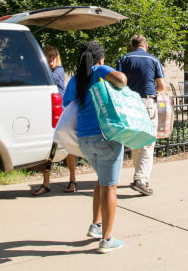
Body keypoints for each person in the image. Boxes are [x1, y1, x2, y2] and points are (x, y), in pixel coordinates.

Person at [63, 41, 128, 254]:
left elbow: (67, 106)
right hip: (106, 135)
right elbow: (122, 80)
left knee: (101, 180)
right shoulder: (99, 70)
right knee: (110, 186)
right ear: (100, 58)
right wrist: (102, 70)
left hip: (84, 139)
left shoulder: (75, 79)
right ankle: (106, 240)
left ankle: (96, 225)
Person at [117, 35, 165, 197]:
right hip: (147, 101)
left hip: (130, 103)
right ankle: (141, 179)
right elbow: (161, 86)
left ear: (132, 46)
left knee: (136, 139)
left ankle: (140, 176)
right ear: (146, 46)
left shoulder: (123, 59)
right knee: (148, 141)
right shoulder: (153, 60)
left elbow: (118, 83)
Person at [32, 46, 78, 196]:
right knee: (49, 151)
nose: (51, 59)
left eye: (53, 56)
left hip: (62, 116)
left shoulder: (57, 71)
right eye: (48, 56)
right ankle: (46, 182)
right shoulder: (45, 71)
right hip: (49, 116)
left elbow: (47, 80)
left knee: (69, 148)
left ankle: (73, 180)